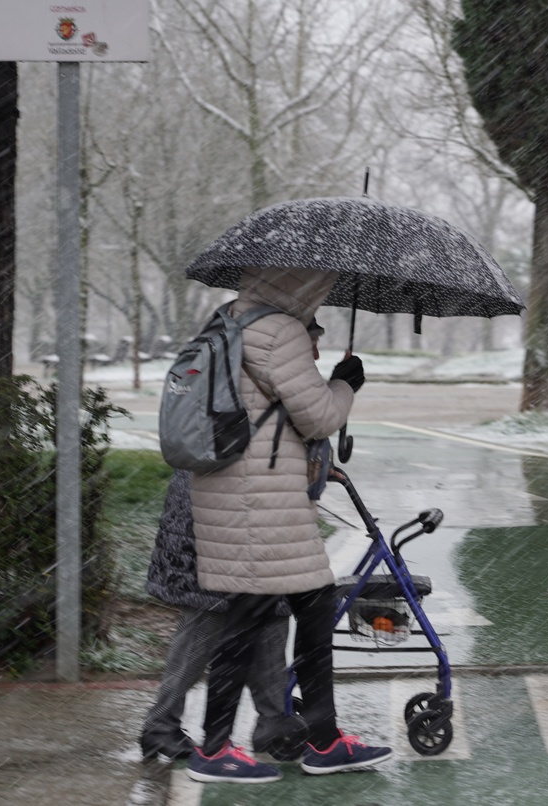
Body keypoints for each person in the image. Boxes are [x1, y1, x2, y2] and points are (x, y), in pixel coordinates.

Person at [185, 265, 389, 785]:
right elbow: (318, 417)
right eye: (319, 286)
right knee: (246, 624)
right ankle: (214, 750)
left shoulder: (229, 320)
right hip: (259, 502)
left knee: (314, 602)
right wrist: (345, 385)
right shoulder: (281, 331)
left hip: (234, 491)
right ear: (301, 285)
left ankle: (322, 739)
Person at [138, 469, 292, 760]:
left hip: (244, 505)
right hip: (222, 506)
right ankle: (160, 724)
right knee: (207, 618)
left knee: (271, 611)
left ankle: (274, 722)